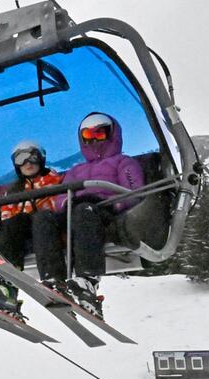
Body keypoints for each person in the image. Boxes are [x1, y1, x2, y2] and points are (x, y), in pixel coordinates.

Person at [54, 112, 146, 317]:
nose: (93, 139)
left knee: (84, 210)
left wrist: (115, 204)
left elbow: (134, 192)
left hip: (104, 211)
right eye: (88, 134)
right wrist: (66, 203)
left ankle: (88, 279)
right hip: (75, 212)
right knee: (44, 219)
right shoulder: (75, 171)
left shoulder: (124, 162)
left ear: (112, 135)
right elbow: (59, 198)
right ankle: (54, 278)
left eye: (100, 133)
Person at [0, 141, 65, 310]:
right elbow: (4, 213)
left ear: (41, 159)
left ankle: (54, 280)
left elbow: (59, 203)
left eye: (32, 157)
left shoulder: (55, 180)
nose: (27, 163)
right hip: (20, 233)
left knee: (37, 218)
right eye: (21, 159)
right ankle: (6, 286)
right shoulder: (14, 190)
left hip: (47, 227)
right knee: (10, 224)